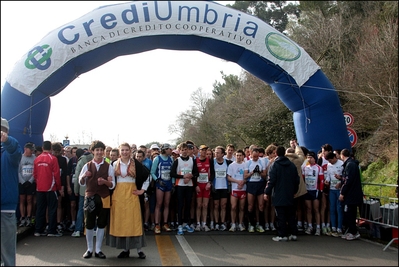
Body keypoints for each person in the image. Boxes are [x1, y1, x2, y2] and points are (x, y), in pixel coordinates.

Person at [107, 143, 149, 259]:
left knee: (134, 221)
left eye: (127, 150)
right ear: (120, 152)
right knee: (122, 222)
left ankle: (139, 249)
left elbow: (148, 176)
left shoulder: (136, 164)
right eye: (123, 150)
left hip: (132, 194)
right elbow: (111, 183)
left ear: (130, 151)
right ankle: (125, 249)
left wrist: (142, 190)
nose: (125, 152)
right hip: (119, 196)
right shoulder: (114, 164)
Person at [79, 140, 115, 259]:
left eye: (101, 150)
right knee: (89, 223)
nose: (99, 152)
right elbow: (81, 182)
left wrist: (105, 182)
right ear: (92, 151)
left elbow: (113, 184)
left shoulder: (109, 166)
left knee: (101, 224)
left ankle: (98, 249)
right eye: (97, 150)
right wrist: (84, 176)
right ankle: (89, 249)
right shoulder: (87, 165)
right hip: (90, 196)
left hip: (104, 197)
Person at [264, 146, 299, 241]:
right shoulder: (291, 165)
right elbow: (297, 179)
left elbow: (271, 180)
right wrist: (295, 191)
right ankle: (293, 233)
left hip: (278, 193)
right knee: (291, 214)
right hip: (289, 193)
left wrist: (266, 192)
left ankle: (282, 235)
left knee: (280, 215)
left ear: (276, 153)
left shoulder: (274, 165)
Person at [1, 117, 23, 266]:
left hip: (5, 208)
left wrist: (7, 140)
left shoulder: (10, 150)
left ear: (6, 131)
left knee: (7, 252)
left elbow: (15, 150)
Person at [33, 140, 63, 237]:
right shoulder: (53, 159)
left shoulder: (37, 159)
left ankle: (38, 230)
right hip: (51, 188)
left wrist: (39, 183)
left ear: (42, 148)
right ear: (51, 149)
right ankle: (51, 230)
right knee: (52, 209)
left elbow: (35, 174)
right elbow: (56, 174)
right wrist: (58, 187)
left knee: (40, 209)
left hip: (39, 188)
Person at [170, 142, 198, 235]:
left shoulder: (192, 160)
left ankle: (186, 223)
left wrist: (190, 176)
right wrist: (183, 177)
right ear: (180, 151)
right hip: (180, 185)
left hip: (189, 185)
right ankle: (180, 225)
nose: (184, 151)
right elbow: (172, 173)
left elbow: (196, 173)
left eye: (186, 149)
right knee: (180, 205)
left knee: (188, 205)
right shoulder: (177, 160)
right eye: (182, 150)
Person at [339, 148, 363, 241]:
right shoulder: (351, 164)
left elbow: (347, 180)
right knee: (350, 213)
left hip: (351, 194)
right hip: (353, 194)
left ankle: (354, 232)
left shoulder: (350, 165)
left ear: (342, 155)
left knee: (349, 213)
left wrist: (342, 192)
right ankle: (351, 231)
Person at [150, 143, 174, 234]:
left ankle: (165, 223)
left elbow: (172, 172)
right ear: (165, 149)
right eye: (169, 149)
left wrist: (172, 183)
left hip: (168, 183)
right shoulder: (157, 159)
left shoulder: (171, 159)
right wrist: (157, 180)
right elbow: (152, 172)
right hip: (160, 183)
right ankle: (157, 224)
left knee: (167, 204)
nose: (170, 150)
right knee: (159, 204)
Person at [284, 140, 307, 232]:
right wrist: (296, 145)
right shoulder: (299, 160)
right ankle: (298, 224)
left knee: (287, 208)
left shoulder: (283, 160)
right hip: (298, 187)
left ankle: (287, 224)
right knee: (298, 207)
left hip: (286, 187)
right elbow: (301, 154)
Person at [244, 147, 267, 233]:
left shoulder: (262, 161)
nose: (255, 158)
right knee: (250, 205)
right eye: (254, 156)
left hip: (260, 184)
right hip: (251, 184)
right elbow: (245, 176)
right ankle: (251, 224)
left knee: (261, 205)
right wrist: (252, 172)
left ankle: (260, 224)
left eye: (257, 156)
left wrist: (260, 172)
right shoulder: (248, 162)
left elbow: (265, 175)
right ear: (251, 155)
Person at [302, 151, 324, 236]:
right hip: (307, 190)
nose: (309, 159)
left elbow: (321, 180)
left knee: (316, 209)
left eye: (311, 157)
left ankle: (318, 227)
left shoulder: (318, 168)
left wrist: (321, 190)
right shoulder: (305, 168)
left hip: (315, 190)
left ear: (314, 158)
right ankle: (310, 226)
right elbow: (303, 179)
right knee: (308, 209)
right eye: (308, 157)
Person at [194, 145, 215, 232]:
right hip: (199, 185)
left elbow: (213, 174)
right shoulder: (195, 161)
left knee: (205, 205)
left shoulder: (210, 161)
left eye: (205, 150)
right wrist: (196, 185)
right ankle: (198, 223)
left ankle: (204, 223)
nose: (204, 152)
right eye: (202, 150)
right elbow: (194, 173)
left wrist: (209, 183)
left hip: (206, 186)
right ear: (199, 151)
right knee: (199, 205)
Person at [212, 146, 232, 231]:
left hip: (224, 187)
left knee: (223, 206)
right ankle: (216, 223)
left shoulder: (228, 163)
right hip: (215, 187)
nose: (216, 154)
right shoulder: (212, 162)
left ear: (223, 154)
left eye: (218, 152)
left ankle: (223, 222)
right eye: (215, 152)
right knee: (216, 206)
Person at [325, 151, 344, 237]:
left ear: (334, 158)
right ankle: (333, 227)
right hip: (332, 189)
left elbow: (344, 177)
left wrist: (340, 182)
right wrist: (327, 180)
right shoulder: (329, 165)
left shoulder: (341, 164)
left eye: (330, 160)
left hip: (339, 189)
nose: (330, 162)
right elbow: (329, 175)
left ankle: (339, 228)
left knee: (338, 209)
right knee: (332, 208)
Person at [227, 149, 247, 232]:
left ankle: (240, 223)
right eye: (237, 155)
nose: (238, 157)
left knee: (242, 207)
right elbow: (228, 177)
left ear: (243, 156)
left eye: (240, 155)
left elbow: (247, 176)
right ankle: (233, 223)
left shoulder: (245, 165)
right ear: (235, 156)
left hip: (243, 189)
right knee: (233, 207)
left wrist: (243, 182)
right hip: (235, 189)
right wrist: (237, 181)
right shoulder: (231, 165)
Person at [18, 142, 36, 228]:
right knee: (22, 199)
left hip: (30, 182)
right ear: (25, 149)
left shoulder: (34, 158)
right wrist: (22, 181)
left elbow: (35, 171)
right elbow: (18, 171)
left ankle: (29, 216)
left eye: (33, 150)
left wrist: (31, 181)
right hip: (22, 182)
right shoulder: (20, 158)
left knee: (29, 199)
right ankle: (22, 217)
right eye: (30, 150)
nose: (32, 152)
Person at [71, 148, 88, 237]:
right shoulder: (94, 158)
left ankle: (78, 229)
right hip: (93, 189)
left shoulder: (81, 161)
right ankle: (93, 229)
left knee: (81, 209)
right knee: (93, 210)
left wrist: (76, 190)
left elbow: (78, 176)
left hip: (83, 189)